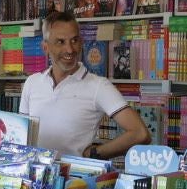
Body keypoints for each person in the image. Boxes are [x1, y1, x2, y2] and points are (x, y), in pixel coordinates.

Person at [19, 10, 151, 160]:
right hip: (33, 178)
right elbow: (21, 136)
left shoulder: (99, 86)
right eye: (60, 42)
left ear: (81, 42)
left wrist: (96, 153)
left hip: (74, 181)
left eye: (74, 41)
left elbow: (140, 133)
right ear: (45, 47)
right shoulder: (32, 83)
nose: (69, 49)